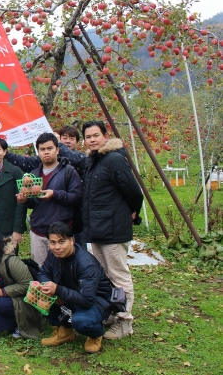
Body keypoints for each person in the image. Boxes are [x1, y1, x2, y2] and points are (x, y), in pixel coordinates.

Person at [80, 121, 143, 339]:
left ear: (105, 136)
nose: (92, 140)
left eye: (96, 135)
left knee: (118, 274)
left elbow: (134, 191)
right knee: (104, 274)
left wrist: (132, 211)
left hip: (114, 228)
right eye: (88, 137)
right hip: (98, 228)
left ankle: (125, 321)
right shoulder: (94, 161)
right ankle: (111, 311)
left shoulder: (114, 159)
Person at [38, 222, 114, 353]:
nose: (57, 247)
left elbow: (87, 299)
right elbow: (43, 273)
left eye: (62, 242)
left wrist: (58, 290)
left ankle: (96, 334)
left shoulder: (86, 264)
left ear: (72, 240)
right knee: (39, 297)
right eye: (53, 242)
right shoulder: (53, 254)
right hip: (70, 294)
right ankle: (65, 331)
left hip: (96, 300)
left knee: (81, 321)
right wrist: (50, 289)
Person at [15, 133, 83, 267]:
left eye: (49, 148)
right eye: (42, 149)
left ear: (57, 150)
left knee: (63, 269)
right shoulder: (34, 174)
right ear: (38, 152)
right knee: (40, 270)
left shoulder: (68, 171)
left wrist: (55, 194)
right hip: (38, 231)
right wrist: (24, 200)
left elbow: (76, 197)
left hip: (60, 232)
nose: (46, 152)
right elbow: (34, 202)